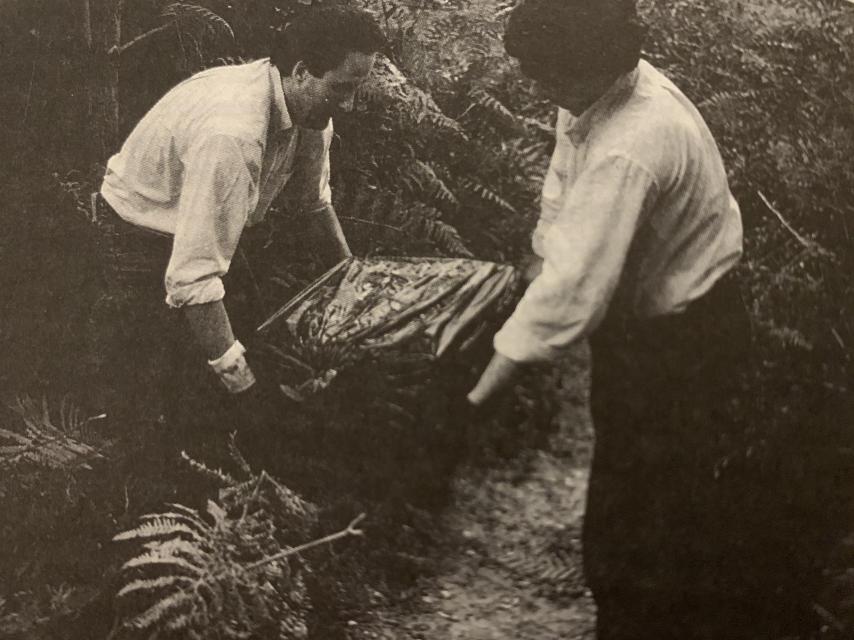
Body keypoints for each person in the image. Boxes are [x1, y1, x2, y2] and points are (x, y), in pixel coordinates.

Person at [467, 0, 757, 637]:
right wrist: (537, 263)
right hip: (653, 323)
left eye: (544, 77)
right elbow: (561, 189)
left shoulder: (635, 141)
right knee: (629, 481)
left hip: (687, 336)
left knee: (647, 504)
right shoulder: (598, 90)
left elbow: (576, 287)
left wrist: (480, 395)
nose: (536, 88)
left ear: (588, 65)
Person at [96, 6, 385, 407]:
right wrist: (246, 391)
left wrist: (353, 286)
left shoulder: (312, 110)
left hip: (210, 225)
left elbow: (312, 204)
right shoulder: (232, 134)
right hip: (138, 233)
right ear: (301, 70)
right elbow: (192, 278)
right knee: (182, 383)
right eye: (341, 88)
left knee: (261, 345)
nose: (350, 105)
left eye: (356, 89)